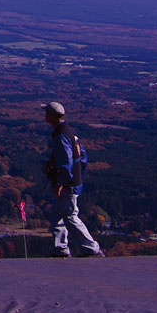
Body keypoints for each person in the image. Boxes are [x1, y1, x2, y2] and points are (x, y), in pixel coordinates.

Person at [43, 101, 103, 257]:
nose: (45, 116)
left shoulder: (61, 137)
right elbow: (82, 157)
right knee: (58, 214)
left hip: (67, 185)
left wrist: (60, 182)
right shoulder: (70, 133)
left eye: (46, 113)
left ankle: (91, 248)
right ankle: (60, 248)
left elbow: (66, 163)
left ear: (51, 115)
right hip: (73, 182)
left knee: (70, 217)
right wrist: (78, 176)